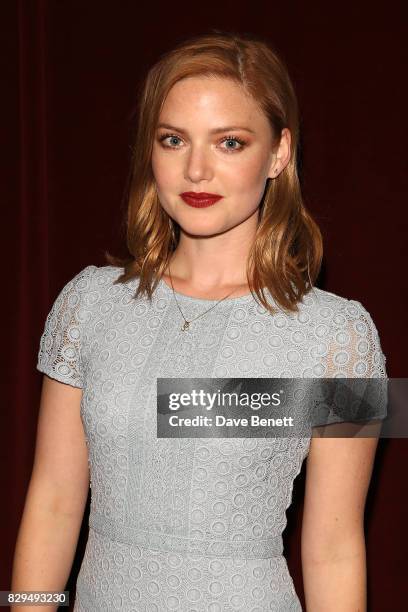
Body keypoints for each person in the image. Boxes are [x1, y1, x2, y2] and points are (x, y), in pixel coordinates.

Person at [12, 31, 387, 611]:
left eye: (230, 143)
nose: (196, 170)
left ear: (279, 153)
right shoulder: (88, 305)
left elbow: (335, 549)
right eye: (173, 139)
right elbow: (55, 499)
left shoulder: (342, 339)